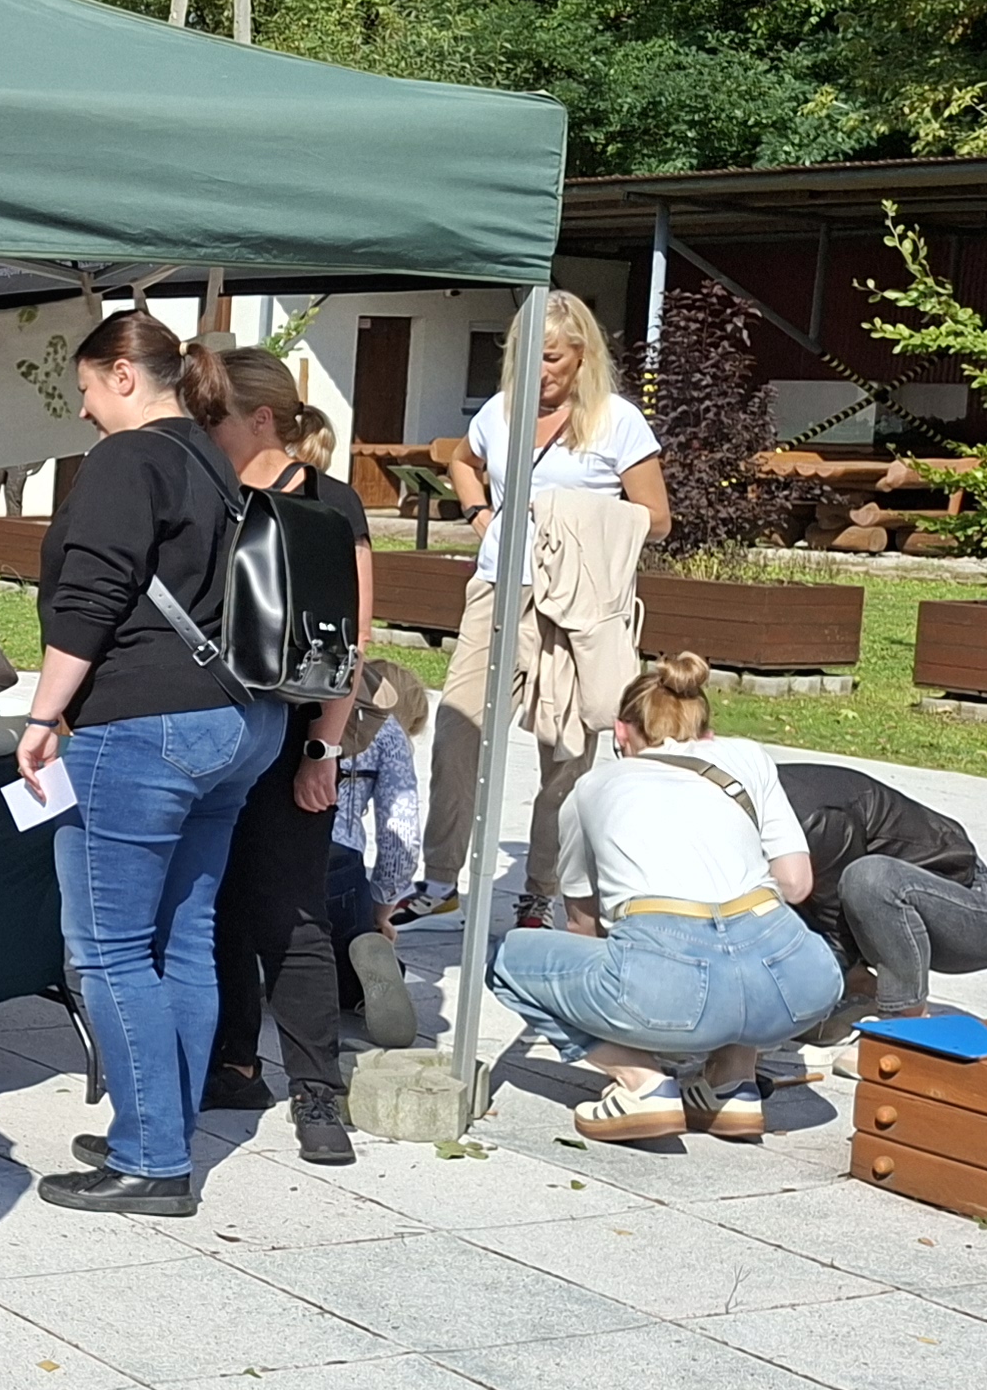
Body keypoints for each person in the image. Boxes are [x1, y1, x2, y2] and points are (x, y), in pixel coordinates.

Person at [12, 312, 281, 1216]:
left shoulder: (127, 460)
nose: (85, 410)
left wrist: (42, 716)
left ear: (123, 375)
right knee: (185, 937)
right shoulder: (213, 454)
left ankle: (151, 1157)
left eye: (87, 389)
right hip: (236, 719)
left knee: (109, 949)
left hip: (144, 724)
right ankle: (161, 1120)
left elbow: (90, 599)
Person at [488, 652, 841, 1141]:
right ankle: (731, 1082)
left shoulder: (591, 787)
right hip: (801, 984)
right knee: (745, 929)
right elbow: (797, 883)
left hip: (670, 976)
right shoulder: (747, 757)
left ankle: (641, 1082)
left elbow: (581, 928)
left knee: (506, 961)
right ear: (705, 731)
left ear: (621, 732)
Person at [411, 295, 669, 928]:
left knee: (566, 748)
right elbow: (461, 460)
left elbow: (656, 519)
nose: (540, 371)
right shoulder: (502, 411)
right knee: (459, 725)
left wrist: (570, 519)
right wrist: (480, 514)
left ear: (582, 354)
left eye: (551, 358)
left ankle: (541, 890)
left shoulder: (617, 421)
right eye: (529, 357)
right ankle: (441, 876)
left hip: (576, 601)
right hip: (498, 587)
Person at [200, 348, 369, 1165]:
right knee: (218, 901)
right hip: (212, 726)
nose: (203, 429)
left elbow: (351, 641)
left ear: (261, 418)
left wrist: (322, 751)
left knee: (291, 911)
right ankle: (233, 1062)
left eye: (214, 416)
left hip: (295, 730)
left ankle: (316, 1087)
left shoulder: (331, 504)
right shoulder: (208, 491)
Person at [781, 760, 987, 1040]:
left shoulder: (818, 820)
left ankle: (905, 1018)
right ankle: (861, 993)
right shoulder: (758, 807)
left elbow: (837, 934)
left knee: (867, 878)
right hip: (879, 906)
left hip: (977, 910)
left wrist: (784, 1004)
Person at [328, 657, 429, 1050]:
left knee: (283, 937)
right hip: (339, 861)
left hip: (270, 851)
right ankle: (360, 979)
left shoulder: (311, 710)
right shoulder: (387, 732)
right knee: (347, 940)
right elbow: (401, 831)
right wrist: (382, 907)